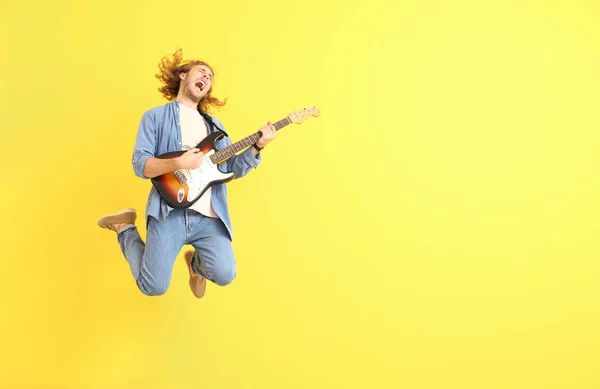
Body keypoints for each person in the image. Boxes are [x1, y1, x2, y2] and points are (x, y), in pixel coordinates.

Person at [97, 48, 276, 298]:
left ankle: (195, 267)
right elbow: (141, 165)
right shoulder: (155, 117)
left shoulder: (216, 127)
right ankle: (124, 227)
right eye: (201, 72)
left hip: (208, 217)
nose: (207, 78)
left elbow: (230, 168)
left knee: (225, 274)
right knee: (153, 286)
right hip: (168, 211)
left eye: (210, 77)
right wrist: (178, 162)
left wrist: (257, 147)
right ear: (183, 75)